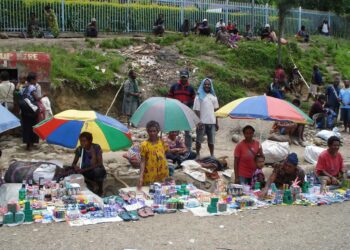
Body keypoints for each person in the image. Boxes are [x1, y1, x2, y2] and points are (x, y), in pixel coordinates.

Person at [168, 69, 196, 150]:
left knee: (188, 132)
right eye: (182, 77)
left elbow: (194, 100)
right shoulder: (174, 87)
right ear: (180, 77)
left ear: (188, 77)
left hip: (187, 112)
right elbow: (169, 98)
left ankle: (188, 149)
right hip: (175, 112)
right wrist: (175, 103)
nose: (183, 79)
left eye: (185, 77)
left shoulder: (190, 88)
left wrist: (187, 102)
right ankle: (172, 148)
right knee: (174, 131)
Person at [138, 121, 169, 190]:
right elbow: (142, 161)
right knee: (150, 193)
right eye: (150, 131)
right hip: (149, 174)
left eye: (154, 131)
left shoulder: (162, 142)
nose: (152, 133)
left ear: (158, 131)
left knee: (161, 194)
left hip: (162, 173)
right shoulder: (144, 145)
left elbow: (165, 154)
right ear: (147, 131)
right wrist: (141, 177)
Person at [193, 78, 219, 158]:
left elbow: (216, 110)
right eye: (205, 84)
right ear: (202, 85)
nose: (207, 85)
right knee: (198, 140)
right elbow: (196, 110)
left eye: (208, 84)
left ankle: (212, 155)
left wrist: (217, 122)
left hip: (212, 122)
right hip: (202, 122)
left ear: (211, 86)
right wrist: (198, 121)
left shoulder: (213, 97)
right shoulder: (199, 96)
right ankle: (197, 154)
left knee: (211, 141)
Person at [19, 72, 41, 150]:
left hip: (24, 110)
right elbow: (36, 98)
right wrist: (43, 96)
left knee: (26, 126)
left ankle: (28, 144)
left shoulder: (22, 87)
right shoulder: (32, 87)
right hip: (32, 110)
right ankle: (32, 143)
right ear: (32, 80)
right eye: (35, 80)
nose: (36, 81)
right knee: (33, 125)